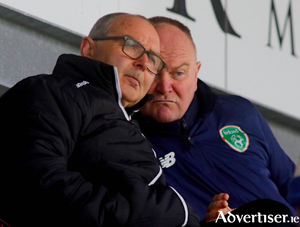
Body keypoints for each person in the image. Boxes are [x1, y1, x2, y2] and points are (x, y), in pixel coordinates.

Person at [0, 13, 201, 227]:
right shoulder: (46, 92)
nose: (143, 63)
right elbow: (37, 185)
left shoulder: (134, 127)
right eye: (131, 45)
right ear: (88, 48)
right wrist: (170, 214)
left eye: (152, 58)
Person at [134, 16, 296, 223]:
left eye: (179, 73)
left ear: (196, 74)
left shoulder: (238, 112)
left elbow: (293, 189)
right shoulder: (127, 141)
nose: (165, 86)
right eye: (155, 71)